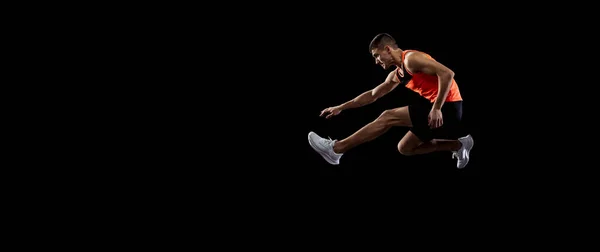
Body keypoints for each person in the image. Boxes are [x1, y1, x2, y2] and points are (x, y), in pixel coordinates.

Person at [308, 33, 474, 169]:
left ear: (387, 49)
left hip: (448, 106)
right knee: (405, 148)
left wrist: (437, 107)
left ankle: (337, 149)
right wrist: (341, 107)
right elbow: (373, 95)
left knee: (388, 116)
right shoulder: (398, 74)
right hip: (435, 109)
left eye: (377, 55)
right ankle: (458, 145)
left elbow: (447, 74)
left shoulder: (411, 59)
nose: (376, 61)